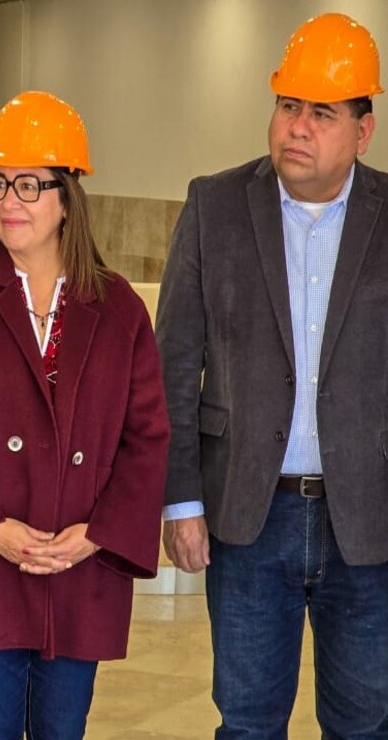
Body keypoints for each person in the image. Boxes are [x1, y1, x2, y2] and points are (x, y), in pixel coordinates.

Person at [0, 90, 170, 739]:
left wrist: (95, 533)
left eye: (28, 185)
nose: (7, 201)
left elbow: (147, 438)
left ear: (66, 196)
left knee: (62, 728)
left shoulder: (117, 308)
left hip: (81, 570)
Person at [158, 12, 388, 737]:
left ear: (362, 130)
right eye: (287, 106)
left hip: (371, 521)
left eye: (320, 113)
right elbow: (171, 363)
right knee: (248, 720)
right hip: (248, 521)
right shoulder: (213, 207)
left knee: (365, 721)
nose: (296, 127)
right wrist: (179, 502)